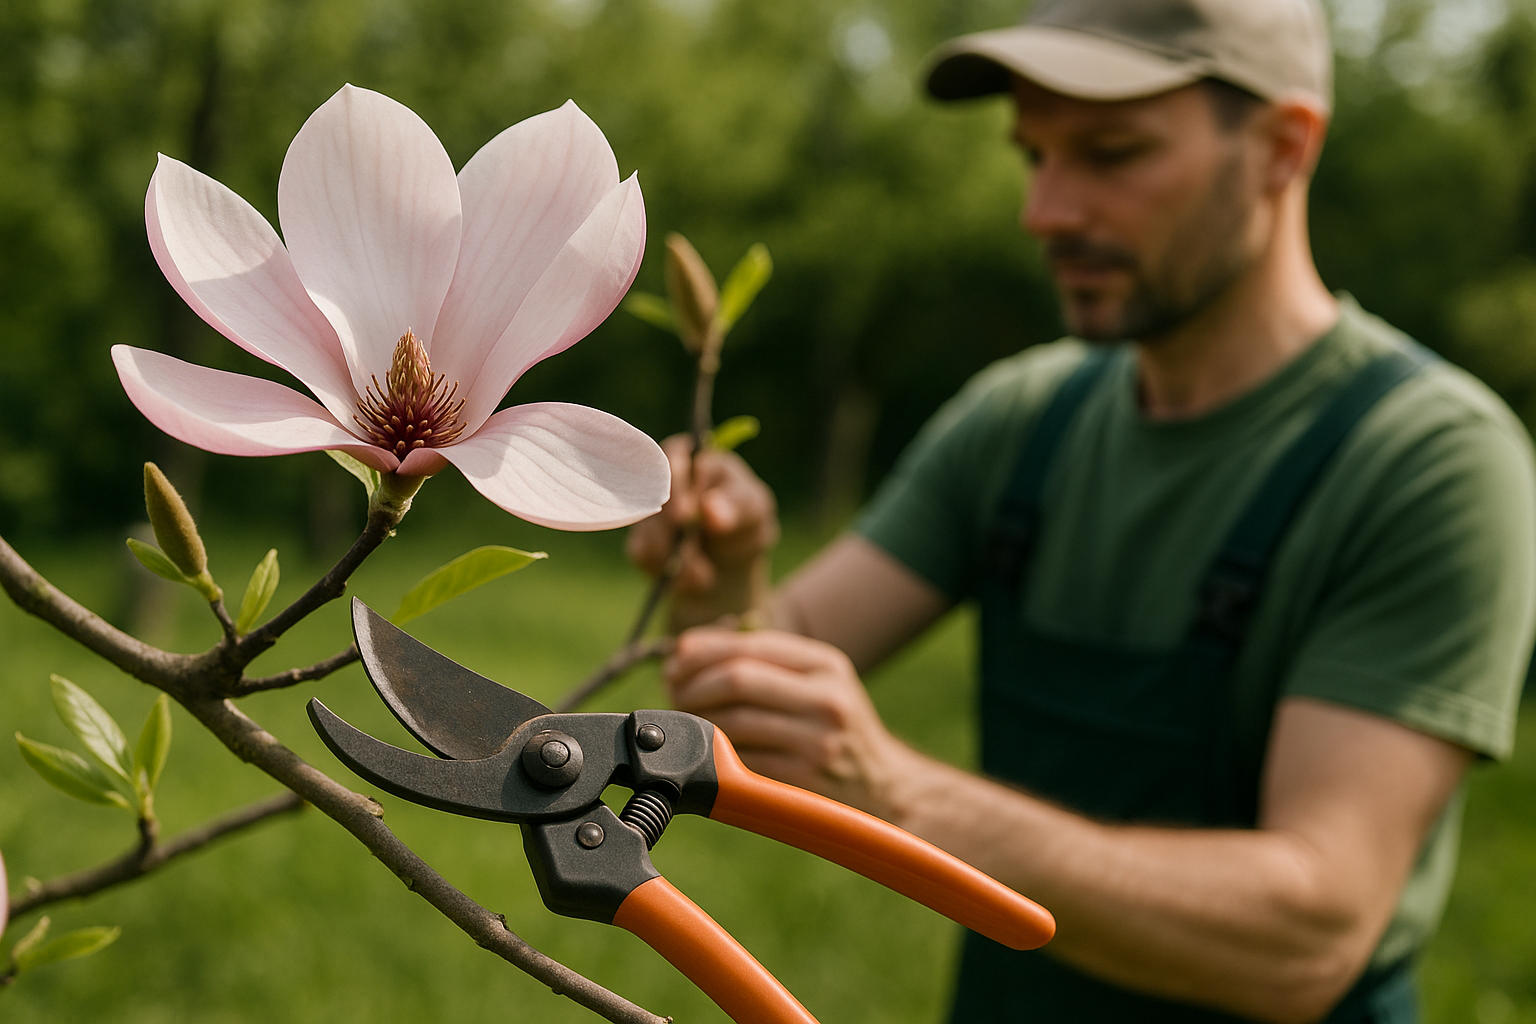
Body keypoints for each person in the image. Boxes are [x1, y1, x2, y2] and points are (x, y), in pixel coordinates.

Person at [627, 1, 1536, 1020]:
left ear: (1283, 148)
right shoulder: (1023, 419)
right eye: (1035, 156)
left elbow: (1310, 932)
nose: (1046, 211)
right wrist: (729, 582)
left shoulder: (1429, 462)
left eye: (1111, 153)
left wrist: (900, 791)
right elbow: (740, 692)